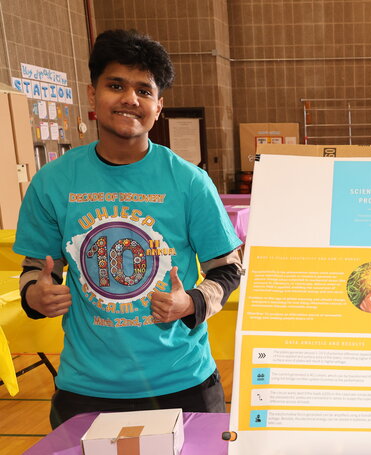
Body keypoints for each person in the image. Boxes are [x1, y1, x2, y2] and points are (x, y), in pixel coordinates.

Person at [13, 29, 243, 428]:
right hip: (86, 388)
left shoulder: (189, 181)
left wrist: (190, 302)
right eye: (116, 85)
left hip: (182, 382)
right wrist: (36, 294)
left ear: (158, 106)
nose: (130, 99)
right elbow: (35, 268)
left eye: (144, 90)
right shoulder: (52, 182)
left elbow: (229, 269)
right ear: (92, 94)